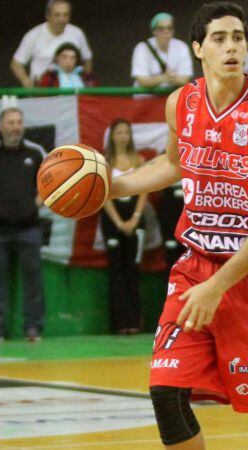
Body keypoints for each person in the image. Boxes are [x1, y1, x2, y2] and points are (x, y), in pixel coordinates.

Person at [108, 3, 248, 448]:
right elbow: (173, 164)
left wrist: (219, 285)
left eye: (238, 37)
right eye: (219, 38)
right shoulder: (180, 102)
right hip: (197, 266)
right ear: (198, 48)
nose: (232, 47)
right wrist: (110, 187)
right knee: (165, 392)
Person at [0, 108, 46, 343]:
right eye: (11, 122)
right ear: (1, 127)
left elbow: (50, 184)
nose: (16, 126)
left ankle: (33, 328)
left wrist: (32, 207)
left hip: (29, 228)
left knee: (33, 279)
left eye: (19, 122)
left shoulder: (36, 153)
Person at [101, 119, 147, 335]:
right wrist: (119, 222)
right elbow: (102, 194)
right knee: (116, 270)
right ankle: (119, 323)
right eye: (118, 132)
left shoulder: (139, 160)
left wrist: (135, 219)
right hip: (112, 218)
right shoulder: (105, 161)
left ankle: (134, 322)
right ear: (112, 136)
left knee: (133, 270)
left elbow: (144, 190)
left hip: (135, 219)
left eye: (126, 132)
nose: (123, 136)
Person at [11, 0, 93, 88]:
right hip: (42, 92)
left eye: (65, 15)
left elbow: (87, 58)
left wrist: (87, 82)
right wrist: (26, 82)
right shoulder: (33, 35)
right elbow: (16, 64)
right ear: (48, 16)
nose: (61, 19)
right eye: (57, 15)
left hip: (71, 93)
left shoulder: (77, 33)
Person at [131, 12, 193, 88]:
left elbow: (185, 79)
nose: (166, 31)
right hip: (145, 98)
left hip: (169, 97)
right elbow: (142, 80)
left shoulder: (182, 47)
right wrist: (165, 78)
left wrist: (169, 78)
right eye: (161, 28)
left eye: (169, 28)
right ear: (154, 31)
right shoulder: (142, 48)